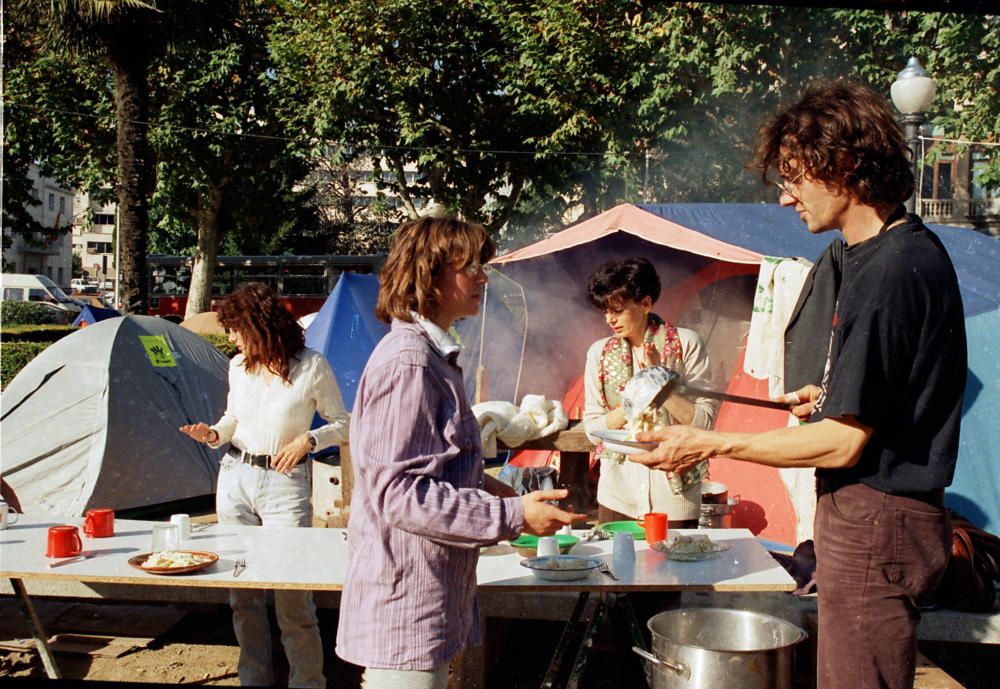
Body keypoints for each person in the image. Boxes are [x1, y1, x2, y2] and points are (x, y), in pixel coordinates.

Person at [629, 82, 966, 689]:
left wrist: (707, 443)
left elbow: (842, 444)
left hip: (877, 520)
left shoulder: (892, 270)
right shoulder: (873, 256)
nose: (785, 198)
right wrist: (831, 392)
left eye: (794, 178)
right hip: (867, 520)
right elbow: (886, 398)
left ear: (841, 167)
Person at [335, 216, 587, 689]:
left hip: (428, 591)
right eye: (469, 266)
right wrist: (511, 517)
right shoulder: (409, 363)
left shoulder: (432, 357)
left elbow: (445, 471)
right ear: (429, 276)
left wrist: (514, 501)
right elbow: (402, 494)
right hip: (405, 599)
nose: (482, 276)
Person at [180, 282, 349, 689]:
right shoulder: (238, 366)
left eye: (236, 329)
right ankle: (253, 678)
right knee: (242, 592)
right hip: (235, 477)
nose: (231, 338)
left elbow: (345, 423)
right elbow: (232, 419)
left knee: (292, 592)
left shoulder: (312, 366)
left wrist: (308, 440)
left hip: (285, 485)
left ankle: (307, 681)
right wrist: (213, 434)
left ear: (257, 326)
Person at [581, 257, 718, 528]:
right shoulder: (599, 353)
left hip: (675, 495)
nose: (610, 319)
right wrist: (634, 401)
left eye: (617, 310)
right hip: (618, 492)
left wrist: (659, 381)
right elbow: (592, 427)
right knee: (618, 567)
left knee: (674, 567)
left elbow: (704, 421)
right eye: (605, 311)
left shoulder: (686, 344)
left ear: (645, 304)